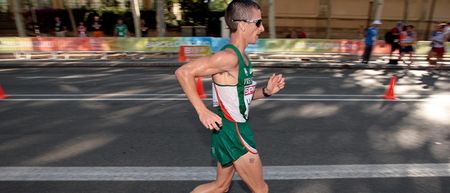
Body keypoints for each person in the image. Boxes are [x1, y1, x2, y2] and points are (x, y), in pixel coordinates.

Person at [175, 1, 285, 192]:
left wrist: (266, 91)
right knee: (261, 189)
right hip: (234, 131)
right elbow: (184, 72)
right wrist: (202, 111)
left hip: (229, 127)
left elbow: (240, 97)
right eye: (258, 22)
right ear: (243, 24)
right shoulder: (228, 57)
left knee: (221, 187)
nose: (262, 28)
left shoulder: (242, 57)